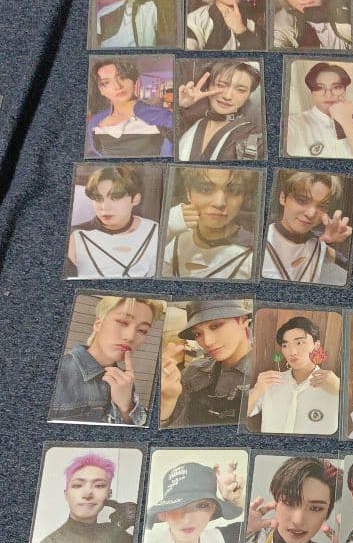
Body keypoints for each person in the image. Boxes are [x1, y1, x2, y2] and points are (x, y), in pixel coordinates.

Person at [25, 453, 139, 543]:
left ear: (108, 494)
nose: (87, 494)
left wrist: (140, 518)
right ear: (66, 494)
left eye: (99, 486)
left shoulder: (110, 532)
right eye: (78, 485)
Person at [50, 295, 164, 426]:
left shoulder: (125, 381)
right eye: (122, 322)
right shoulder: (59, 373)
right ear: (98, 324)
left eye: (142, 330)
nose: (130, 336)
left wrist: (126, 407)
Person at [138, 461, 246, 543]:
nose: (187, 519)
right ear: (163, 514)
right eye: (176, 506)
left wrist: (236, 499)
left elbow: (251, 526)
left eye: (201, 506)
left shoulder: (219, 539)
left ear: (213, 510)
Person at [159, 300, 251, 428]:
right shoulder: (193, 372)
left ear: (243, 321)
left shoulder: (264, 378)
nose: (207, 342)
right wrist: (167, 400)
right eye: (197, 334)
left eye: (215, 326)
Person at [246, 316, 340, 436]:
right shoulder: (271, 381)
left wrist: (340, 390)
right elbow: (243, 413)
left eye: (299, 343)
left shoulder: (333, 385)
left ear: (316, 345)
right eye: (285, 345)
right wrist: (257, 389)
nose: (292, 352)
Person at [160, 168, 256, 280]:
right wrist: (165, 232)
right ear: (188, 193)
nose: (219, 203)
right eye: (205, 189)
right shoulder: (174, 241)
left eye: (234, 191)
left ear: (244, 197)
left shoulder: (255, 253)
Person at [66, 166, 159, 279]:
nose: (104, 207)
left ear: (135, 199)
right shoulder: (74, 235)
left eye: (115, 198)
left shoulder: (155, 230)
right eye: (98, 198)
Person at [262, 171, 351, 285]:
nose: (311, 213)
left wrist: (337, 245)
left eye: (322, 206)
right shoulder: (256, 241)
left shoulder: (322, 245)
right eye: (302, 200)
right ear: (283, 198)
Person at [175, 60, 264, 162]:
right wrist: (180, 105)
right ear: (207, 87)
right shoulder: (187, 123)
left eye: (241, 90)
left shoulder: (255, 138)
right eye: (221, 85)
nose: (227, 96)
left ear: (248, 95)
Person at [85, 59, 173, 159]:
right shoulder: (95, 122)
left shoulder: (160, 116)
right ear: (101, 90)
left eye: (122, 77)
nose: (117, 86)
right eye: (106, 82)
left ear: (135, 81)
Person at [285, 62, 353, 159]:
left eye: (336, 87)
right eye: (320, 88)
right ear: (311, 93)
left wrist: (346, 120)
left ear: (344, 90)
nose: (328, 95)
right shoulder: (292, 123)